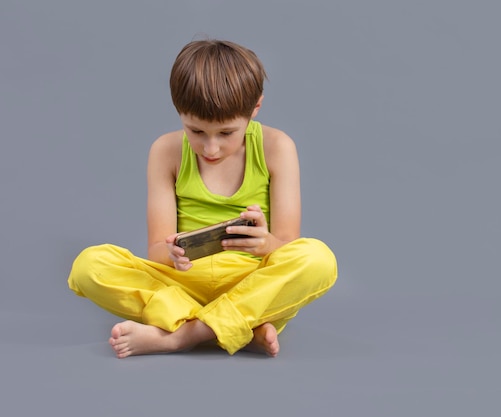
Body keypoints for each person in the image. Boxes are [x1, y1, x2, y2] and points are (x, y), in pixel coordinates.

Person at [67, 39, 337, 359]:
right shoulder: (165, 152)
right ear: (179, 112)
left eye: (226, 133)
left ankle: (183, 335)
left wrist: (264, 243)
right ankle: (239, 330)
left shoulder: (276, 147)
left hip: (250, 283)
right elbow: (156, 252)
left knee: (318, 259)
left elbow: (289, 248)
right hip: (183, 284)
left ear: (255, 109)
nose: (210, 149)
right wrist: (171, 253)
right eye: (196, 131)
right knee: (90, 265)